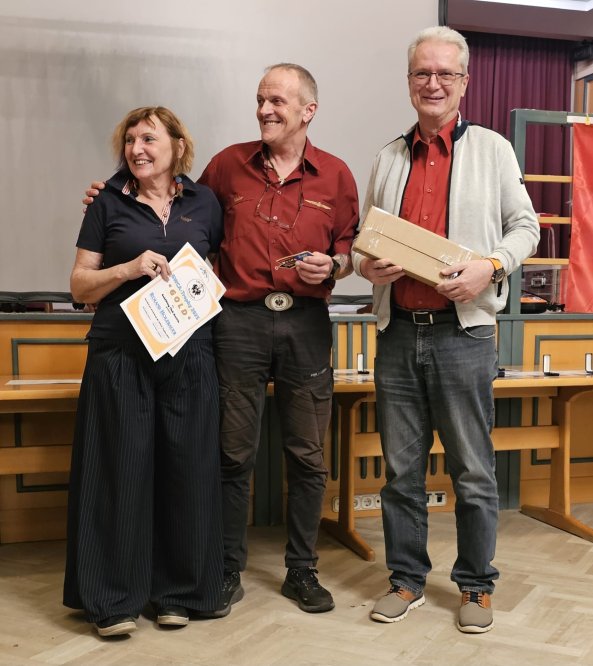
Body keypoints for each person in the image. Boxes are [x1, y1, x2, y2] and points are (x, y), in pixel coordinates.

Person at [82, 64, 359, 616]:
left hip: (306, 324)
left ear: (308, 110)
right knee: (232, 453)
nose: (264, 110)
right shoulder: (226, 167)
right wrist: (111, 193)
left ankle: (302, 570)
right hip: (236, 324)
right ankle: (226, 568)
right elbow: (174, 205)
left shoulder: (336, 175)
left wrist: (335, 265)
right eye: (260, 100)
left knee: (308, 455)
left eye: (277, 101)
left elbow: (350, 251)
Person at [352, 27, 539, 634]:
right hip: (398, 334)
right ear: (409, 81)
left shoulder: (493, 150)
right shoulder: (388, 156)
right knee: (400, 472)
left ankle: (476, 586)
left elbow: (526, 227)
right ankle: (406, 580)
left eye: (444, 74)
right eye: (421, 73)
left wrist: (491, 266)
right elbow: (363, 242)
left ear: (464, 82)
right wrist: (366, 266)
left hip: (465, 336)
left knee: (473, 471)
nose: (432, 84)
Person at [64, 106, 224, 637]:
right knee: (120, 473)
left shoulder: (205, 203)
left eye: (150, 138)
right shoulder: (106, 203)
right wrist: (128, 268)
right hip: (119, 355)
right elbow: (79, 286)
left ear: (178, 146)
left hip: (190, 355)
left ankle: (178, 595)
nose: (137, 149)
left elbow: (218, 270)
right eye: (130, 139)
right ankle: (113, 601)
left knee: (188, 473)